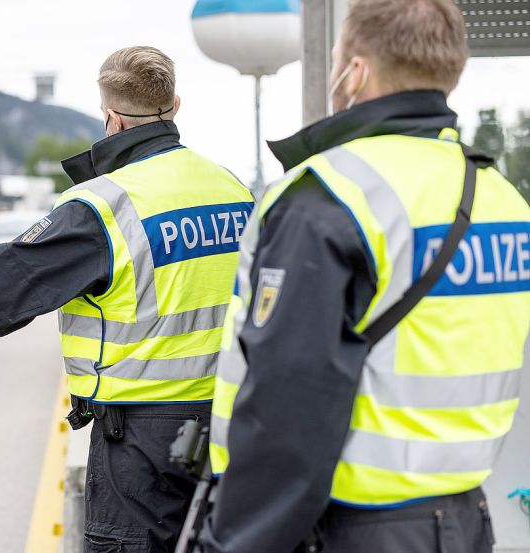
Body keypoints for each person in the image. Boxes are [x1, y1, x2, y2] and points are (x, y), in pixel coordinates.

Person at [0, 46, 254, 551]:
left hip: (143, 445)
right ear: (176, 105)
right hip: (234, 424)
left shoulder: (103, 205)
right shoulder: (233, 189)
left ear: (111, 118)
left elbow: (8, 283)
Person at [199, 1, 530, 552]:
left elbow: (287, 401)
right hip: (469, 518)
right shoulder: (502, 199)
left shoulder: (328, 195)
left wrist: (232, 541)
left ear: (355, 72)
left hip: (355, 527)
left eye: (334, 59)